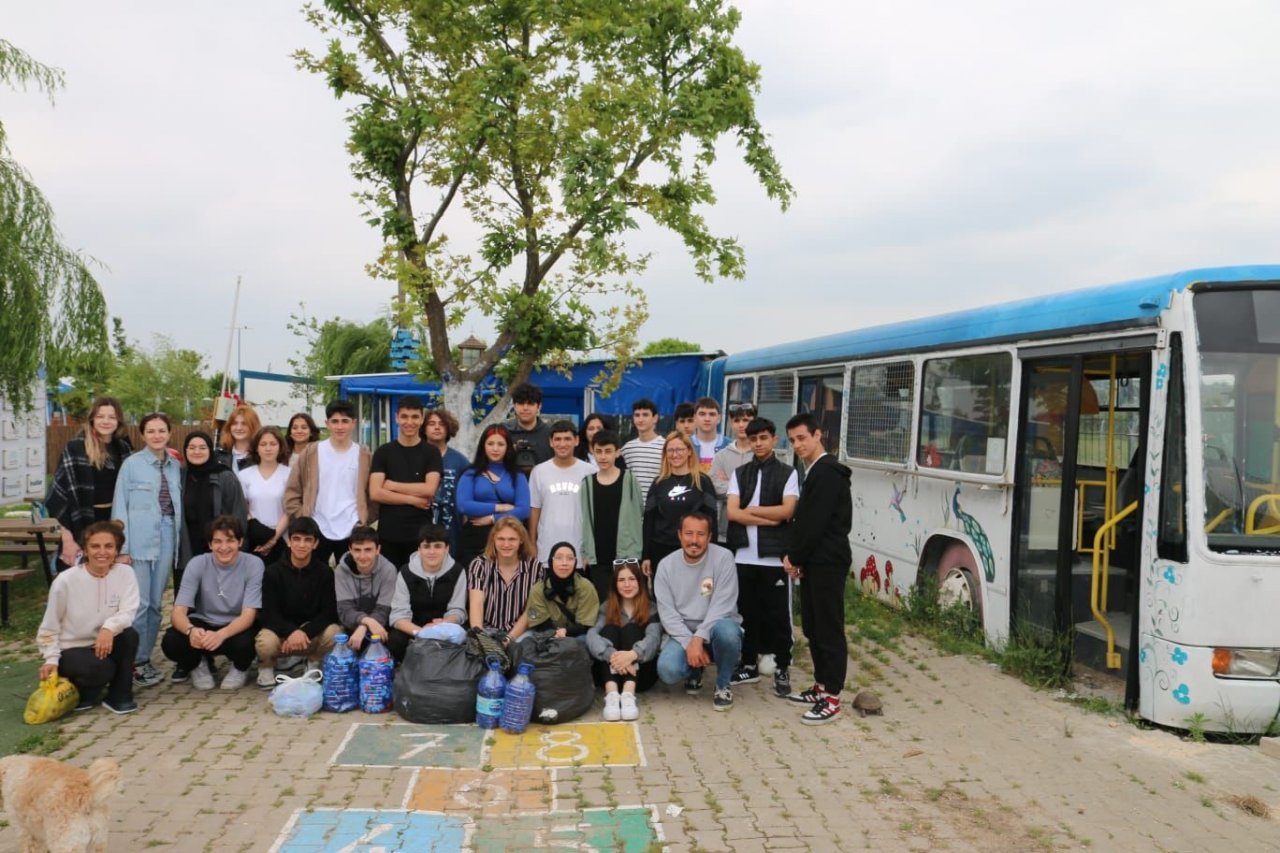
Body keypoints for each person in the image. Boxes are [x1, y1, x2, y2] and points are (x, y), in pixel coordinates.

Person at [782, 413, 853, 725]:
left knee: (828, 629)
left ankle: (833, 699)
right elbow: (804, 522)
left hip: (827, 562)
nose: (797, 445)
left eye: (802, 438)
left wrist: (794, 557)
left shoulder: (827, 472)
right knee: (812, 626)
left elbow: (815, 525)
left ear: (817, 435)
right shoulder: (814, 470)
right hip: (814, 561)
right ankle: (821, 686)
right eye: (793, 440)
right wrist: (799, 558)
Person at [726, 417, 798, 696]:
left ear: (774, 439)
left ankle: (782, 667)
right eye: (753, 438)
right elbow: (732, 513)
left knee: (779, 616)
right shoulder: (740, 473)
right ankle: (749, 664)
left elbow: (788, 511)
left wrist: (751, 512)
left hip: (773, 557)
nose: (758, 443)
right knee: (748, 614)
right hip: (743, 555)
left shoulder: (787, 473)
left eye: (763, 438)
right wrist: (770, 517)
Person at [36, 521, 140, 714]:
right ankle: (83, 692)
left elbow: (128, 611)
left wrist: (109, 628)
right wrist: (51, 659)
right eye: (95, 546)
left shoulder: (126, 573)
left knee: (129, 636)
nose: (102, 552)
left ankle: (120, 696)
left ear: (117, 550)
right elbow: (50, 625)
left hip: (104, 642)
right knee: (102, 668)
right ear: (84, 550)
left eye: (109, 546)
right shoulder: (65, 580)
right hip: (72, 650)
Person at [112, 411, 182, 689]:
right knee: (138, 604)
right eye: (151, 431)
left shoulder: (175, 465)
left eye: (161, 430)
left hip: (167, 535)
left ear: (168, 433)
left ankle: (144, 659)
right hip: (137, 539)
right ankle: (133, 662)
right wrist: (123, 547)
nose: (156, 435)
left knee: (155, 603)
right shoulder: (131, 465)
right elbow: (120, 506)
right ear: (143, 435)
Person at [160, 515, 264, 690]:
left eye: (230, 541)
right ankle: (197, 665)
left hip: (236, 625)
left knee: (250, 642)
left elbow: (249, 615)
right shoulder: (197, 564)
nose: (224, 547)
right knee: (171, 641)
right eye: (217, 542)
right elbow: (178, 612)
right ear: (210, 545)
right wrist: (191, 631)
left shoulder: (254, 564)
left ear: (240, 541)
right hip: (204, 623)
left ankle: (240, 667)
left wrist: (221, 635)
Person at [653, 512, 743, 711]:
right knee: (667, 670)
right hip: (683, 630)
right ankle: (695, 669)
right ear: (679, 535)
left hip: (717, 625)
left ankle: (722, 684)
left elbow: (723, 604)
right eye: (689, 533)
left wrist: (699, 638)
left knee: (728, 633)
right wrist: (689, 642)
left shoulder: (723, 558)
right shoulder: (666, 566)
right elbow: (667, 614)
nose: (694, 540)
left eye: (701, 534)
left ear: (710, 537)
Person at [45, 396, 132, 570]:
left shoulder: (124, 449)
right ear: (92, 418)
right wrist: (67, 539)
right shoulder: (76, 448)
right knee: (79, 584)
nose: (106, 421)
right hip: (82, 522)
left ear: (119, 421)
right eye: (100, 416)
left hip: (114, 522)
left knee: (110, 582)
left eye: (111, 417)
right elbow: (59, 497)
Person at [284, 399, 374, 566]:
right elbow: (292, 490)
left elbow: (373, 494)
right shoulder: (311, 452)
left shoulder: (364, 455)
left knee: (350, 579)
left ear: (354, 423)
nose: (340, 426)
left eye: (345, 421)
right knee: (315, 580)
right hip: (317, 526)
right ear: (327, 423)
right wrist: (303, 516)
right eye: (335, 421)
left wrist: (363, 520)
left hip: (351, 528)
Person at [253, 516, 341, 687]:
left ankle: (313, 662)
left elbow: (329, 612)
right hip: (281, 635)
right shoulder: (273, 572)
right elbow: (268, 613)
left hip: (310, 635)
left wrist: (304, 633)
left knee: (334, 633)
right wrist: (291, 632)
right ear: (289, 541)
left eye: (308, 540)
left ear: (315, 544)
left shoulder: (325, 573)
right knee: (265, 641)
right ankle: (266, 668)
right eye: (297, 539)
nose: (302, 545)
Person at [368, 396, 443, 568]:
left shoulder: (431, 453)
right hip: (388, 534)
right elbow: (375, 492)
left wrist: (392, 486)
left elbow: (429, 489)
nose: (409, 422)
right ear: (396, 418)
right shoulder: (383, 452)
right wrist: (414, 500)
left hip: (420, 536)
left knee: (418, 589)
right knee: (390, 589)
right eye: (404, 417)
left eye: (415, 417)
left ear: (422, 418)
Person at [586, 560, 661, 721]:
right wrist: (612, 655)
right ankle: (612, 696)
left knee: (631, 630)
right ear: (615, 585)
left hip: (641, 676)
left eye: (632, 579)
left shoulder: (651, 607)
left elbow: (654, 639)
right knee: (610, 629)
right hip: (609, 674)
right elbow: (591, 635)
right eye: (621, 580)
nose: (627, 584)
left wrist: (633, 655)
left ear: (640, 582)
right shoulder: (607, 607)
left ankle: (628, 696)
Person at [387, 524, 467, 662]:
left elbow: (458, 611)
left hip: (444, 627)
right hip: (414, 629)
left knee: (463, 636)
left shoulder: (458, 571)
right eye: (426, 546)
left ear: (446, 548)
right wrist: (423, 633)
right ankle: (402, 673)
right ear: (419, 549)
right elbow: (398, 617)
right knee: (395, 640)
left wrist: (442, 626)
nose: (432, 552)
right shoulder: (406, 572)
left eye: (437, 546)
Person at [579, 429, 643, 602]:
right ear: (592, 451)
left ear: (617, 452)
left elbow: (639, 514)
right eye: (598, 451)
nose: (603, 456)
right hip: (598, 556)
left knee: (627, 603)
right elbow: (584, 520)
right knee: (604, 605)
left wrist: (638, 551)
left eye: (608, 451)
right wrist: (585, 552)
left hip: (626, 553)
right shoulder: (587, 483)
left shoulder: (629, 479)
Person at [642, 432, 718, 577]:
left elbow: (712, 519)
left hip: (693, 549)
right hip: (661, 549)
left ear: (689, 451)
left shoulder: (703, 481)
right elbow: (648, 520)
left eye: (679, 450)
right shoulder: (658, 483)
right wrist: (646, 555)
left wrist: (711, 553)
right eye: (670, 450)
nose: (675, 454)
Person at [455, 424, 531, 569]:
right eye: (490, 443)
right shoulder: (470, 473)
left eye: (500, 444)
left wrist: (492, 519)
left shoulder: (518, 475)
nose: (495, 449)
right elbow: (464, 505)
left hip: (508, 539)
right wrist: (500, 507)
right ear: (483, 446)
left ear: (508, 447)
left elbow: (523, 510)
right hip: (474, 539)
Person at [527, 421, 596, 567]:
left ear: (576, 441)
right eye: (557, 439)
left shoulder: (590, 471)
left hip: (580, 550)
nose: (562, 444)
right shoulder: (539, 471)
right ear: (551, 442)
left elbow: (594, 513)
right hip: (546, 549)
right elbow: (534, 509)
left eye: (567, 439)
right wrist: (532, 543)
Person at [178, 431, 248, 572]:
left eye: (202, 448)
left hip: (221, 550)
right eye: (191, 448)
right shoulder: (180, 477)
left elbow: (238, 513)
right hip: (188, 549)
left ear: (210, 450)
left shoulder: (225, 477)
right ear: (185, 451)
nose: (197, 452)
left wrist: (232, 546)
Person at [467, 518, 541, 645]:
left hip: (520, 633)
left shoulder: (535, 567)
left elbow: (531, 610)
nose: (506, 545)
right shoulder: (479, 565)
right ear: (493, 540)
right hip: (487, 630)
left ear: (521, 540)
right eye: (501, 539)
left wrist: (508, 640)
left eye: (512, 539)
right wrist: (481, 639)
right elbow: (476, 604)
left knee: (524, 649)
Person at [334, 525, 397, 652]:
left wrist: (364, 627)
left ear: (378, 549)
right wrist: (366, 620)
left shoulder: (389, 570)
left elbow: (384, 610)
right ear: (350, 550)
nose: (362, 556)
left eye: (368, 550)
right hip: (351, 626)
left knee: (395, 642)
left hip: (380, 626)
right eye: (357, 550)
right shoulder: (341, 570)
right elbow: (345, 610)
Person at [237, 426, 292, 565]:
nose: (268, 448)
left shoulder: (290, 474)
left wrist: (273, 538)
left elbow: (290, 509)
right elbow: (242, 508)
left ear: (280, 447)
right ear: (256, 447)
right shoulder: (244, 475)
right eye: (263, 444)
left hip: (282, 538)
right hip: (254, 539)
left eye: (273, 444)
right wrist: (260, 534)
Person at [523, 541, 599, 639]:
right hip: (547, 636)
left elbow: (586, 624)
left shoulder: (585, 587)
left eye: (570, 558)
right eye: (558, 558)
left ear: (575, 562)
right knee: (525, 640)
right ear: (551, 561)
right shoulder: (538, 589)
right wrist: (555, 634)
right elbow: (539, 623)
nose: (564, 563)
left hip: (578, 636)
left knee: (588, 640)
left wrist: (566, 632)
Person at [425, 409, 469, 554]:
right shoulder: (416, 456)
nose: (437, 427)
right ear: (424, 428)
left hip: (451, 530)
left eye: (441, 424)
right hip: (420, 527)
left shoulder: (460, 461)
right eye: (431, 423)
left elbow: (469, 493)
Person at [710, 402, 756, 540]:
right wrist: (746, 490)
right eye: (736, 421)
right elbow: (714, 487)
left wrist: (729, 484)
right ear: (731, 423)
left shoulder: (761, 455)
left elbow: (765, 490)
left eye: (746, 420)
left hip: (755, 528)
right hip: (726, 530)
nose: (741, 425)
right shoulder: (721, 455)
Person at [620, 399, 664, 505]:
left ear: (655, 418)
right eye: (637, 415)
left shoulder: (665, 446)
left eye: (645, 415)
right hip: (633, 509)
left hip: (657, 508)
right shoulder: (627, 448)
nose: (640, 419)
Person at [504, 382, 552, 473]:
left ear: (539, 407)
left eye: (530, 403)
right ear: (514, 406)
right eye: (521, 403)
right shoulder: (503, 432)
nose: (525, 408)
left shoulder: (550, 434)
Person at [216, 403, 262, 471]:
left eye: (244, 424)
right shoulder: (218, 455)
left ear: (254, 426)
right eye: (235, 423)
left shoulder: (261, 455)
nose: (239, 428)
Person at [692, 397, 732, 474]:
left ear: (719, 418)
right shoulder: (686, 444)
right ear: (695, 417)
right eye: (702, 414)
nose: (707, 419)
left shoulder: (730, 446)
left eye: (712, 414)